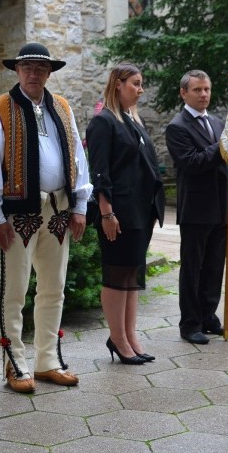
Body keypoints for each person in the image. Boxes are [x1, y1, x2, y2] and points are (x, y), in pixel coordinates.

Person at [0, 42, 92, 392]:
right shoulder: (0, 109)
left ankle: (48, 360)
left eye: (40, 68)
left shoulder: (62, 107)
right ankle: (15, 363)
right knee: (15, 289)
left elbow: (77, 157)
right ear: (17, 70)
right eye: (27, 67)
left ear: (49, 73)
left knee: (53, 287)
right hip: (17, 213)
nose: (33, 73)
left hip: (58, 207)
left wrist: (79, 205)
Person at [86, 63, 165, 364]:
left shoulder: (132, 120)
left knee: (132, 276)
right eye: (135, 83)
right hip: (118, 213)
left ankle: (130, 335)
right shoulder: (103, 122)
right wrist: (106, 213)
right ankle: (117, 338)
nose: (140, 89)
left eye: (141, 83)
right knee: (117, 275)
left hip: (140, 212)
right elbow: (100, 173)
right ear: (117, 84)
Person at [165, 69, 228, 345]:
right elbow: (192, 163)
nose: (204, 94)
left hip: (222, 207)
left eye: (207, 89)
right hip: (196, 210)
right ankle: (190, 323)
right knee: (193, 269)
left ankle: (209, 316)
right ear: (184, 93)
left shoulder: (219, 123)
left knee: (214, 267)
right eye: (197, 90)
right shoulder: (177, 126)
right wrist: (222, 146)